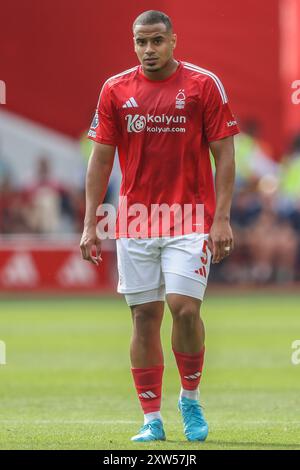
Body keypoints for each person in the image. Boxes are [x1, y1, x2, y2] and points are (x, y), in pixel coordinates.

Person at [80, 10, 239, 442]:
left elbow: (224, 154)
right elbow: (101, 158)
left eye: (156, 41)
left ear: (173, 41)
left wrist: (221, 217)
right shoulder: (115, 89)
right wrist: (91, 222)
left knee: (184, 308)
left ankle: (190, 398)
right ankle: (151, 418)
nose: (148, 50)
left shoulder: (203, 85)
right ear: (133, 43)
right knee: (144, 318)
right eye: (140, 42)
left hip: (190, 218)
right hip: (135, 221)